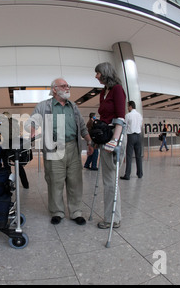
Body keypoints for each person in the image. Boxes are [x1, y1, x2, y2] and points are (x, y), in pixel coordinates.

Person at [26, 78, 94, 225]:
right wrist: (32, 130)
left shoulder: (73, 106)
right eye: (64, 86)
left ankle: (76, 212)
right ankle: (57, 211)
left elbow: (82, 127)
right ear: (55, 89)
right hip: (54, 148)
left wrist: (89, 142)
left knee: (75, 182)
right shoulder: (44, 106)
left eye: (68, 85)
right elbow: (33, 120)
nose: (67, 88)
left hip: (72, 148)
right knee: (55, 182)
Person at [95, 62, 126, 229]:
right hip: (105, 136)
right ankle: (113, 216)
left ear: (105, 72)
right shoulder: (103, 92)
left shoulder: (117, 90)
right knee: (108, 179)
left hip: (115, 136)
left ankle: (113, 218)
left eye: (98, 73)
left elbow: (121, 116)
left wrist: (114, 140)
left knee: (110, 180)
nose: (96, 76)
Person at [121, 101, 143, 180]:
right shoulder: (139, 115)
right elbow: (140, 125)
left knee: (129, 156)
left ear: (130, 106)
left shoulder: (128, 115)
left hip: (131, 136)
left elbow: (125, 126)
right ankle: (140, 173)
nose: (127, 108)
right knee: (138, 156)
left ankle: (127, 175)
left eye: (128, 106)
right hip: (138, 136)